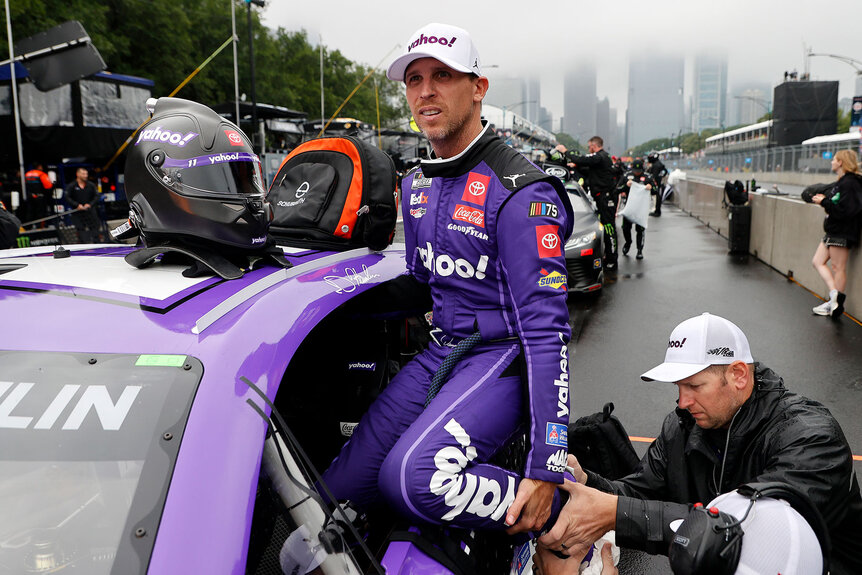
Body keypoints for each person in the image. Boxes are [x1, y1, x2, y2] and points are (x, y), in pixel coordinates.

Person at [320, 22, 575, 537]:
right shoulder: (416, 184)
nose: (426, 91)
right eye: (414, 80)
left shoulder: (522, 193)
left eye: (442, 75)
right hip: (444, 352)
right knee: (338, 491)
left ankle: (575, 508)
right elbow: (420, 286)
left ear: (478, 88)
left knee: (413, 481)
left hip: (505, 356)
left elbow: (548, 335)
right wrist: (328, 298)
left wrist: (548, 462)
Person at [539, 312, 862, 574]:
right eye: (679, 386)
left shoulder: (810, 435)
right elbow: (641, 493)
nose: (682, 401)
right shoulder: (682, 425)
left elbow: (760, 536)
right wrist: (589, 484)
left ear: (738, 375)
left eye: (694, 385)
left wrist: (617, 512)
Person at [810, 149, 862, 317]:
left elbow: (847, 210)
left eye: (834, 159)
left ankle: (836, 302)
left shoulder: (851, 183)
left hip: (843, 231)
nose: (831, 162)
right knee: (817, 261)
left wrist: (824, 201)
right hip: (833, 230)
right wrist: (824, 201)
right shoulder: (843, 182)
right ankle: (834, 297)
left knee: (838, 267)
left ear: (841, 162)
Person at [559, 137, 618, 269]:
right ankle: (608, 255)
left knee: (609, 228)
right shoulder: (599, 159)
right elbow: (588, 169)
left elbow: (584, 160)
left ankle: (612, 259)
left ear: (594, 145)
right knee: (605, 226)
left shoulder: (600, 156)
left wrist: (566, 151)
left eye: (590, 146)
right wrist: (575, 166)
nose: (588, 148)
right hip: (601, 197)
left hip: (606, 197)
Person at [616, 159, 655, 260]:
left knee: (640, 230)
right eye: (635, 170)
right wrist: (626, 186)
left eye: (639, 170)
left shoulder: (648, 177)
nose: (636, 172)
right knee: (625, 228)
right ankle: (628, 242)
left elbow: (656, 190)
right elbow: (617, 189)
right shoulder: (626, 175)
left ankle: (639, 250)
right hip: (630, 207)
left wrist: (651, 187)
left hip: (641, 208)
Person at [64, 167, 101, 243]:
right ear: (78, 174)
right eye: (83, 174)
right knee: (81, 231)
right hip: (78, 212)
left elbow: (97, 196)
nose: (85, 176)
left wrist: (90, 204)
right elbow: (67, 197)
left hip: (90, 211)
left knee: (95, 229)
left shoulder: (91, 185)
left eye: (86, 174)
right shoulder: (72, 186)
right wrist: (77, 205)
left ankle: (97, 244)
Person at [646, 152, 667, 217]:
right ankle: (657, 210)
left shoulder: (656, 165)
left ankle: (657, 211)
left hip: (657, 183)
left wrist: (654, 180)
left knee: (657, 197)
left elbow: (653, 175)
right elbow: (665, 171)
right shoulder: (659, 164)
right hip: (659, 182)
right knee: (658, 196)